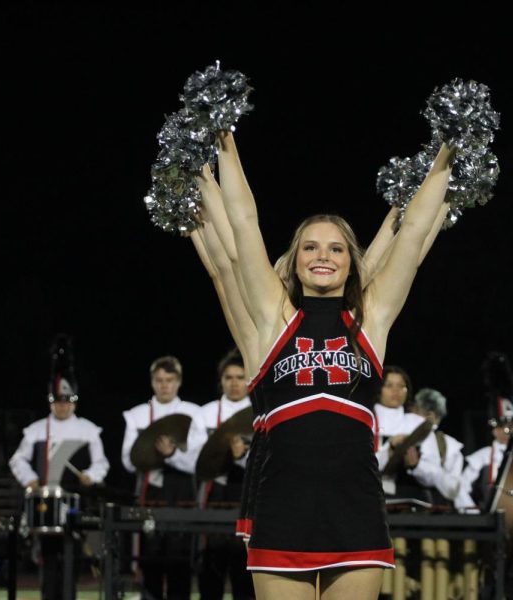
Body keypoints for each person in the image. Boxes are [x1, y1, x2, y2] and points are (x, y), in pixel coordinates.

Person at [191, 127, 454, 600]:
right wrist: (221, 133)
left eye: (335, 248)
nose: (322, 256)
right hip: (283, 509)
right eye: (310, 247)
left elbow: (413, 236)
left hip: (355, 510)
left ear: (352, 263)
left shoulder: (370, 322)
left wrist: (451, 147)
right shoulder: (272, 320)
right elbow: (243, 227)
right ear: (294, 262)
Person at [8, 335, 109, 600]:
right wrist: (29, 479)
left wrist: (91, 476)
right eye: (58, 401)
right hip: (45, 508)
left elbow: (102, 463)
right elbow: (17, 459)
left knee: (71, 563)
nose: (62, 406)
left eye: (66, 401)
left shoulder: (88, 430)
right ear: (51, 401)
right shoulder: (36, 430)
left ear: (74, 401)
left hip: (76, 507)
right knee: (48, 563)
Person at [122, 355, 204, 600]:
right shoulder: (136, 415)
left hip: (182, 492)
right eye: (159, 380)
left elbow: (198, 461)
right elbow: (127, 460)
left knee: (180, 564)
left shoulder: (194, 413)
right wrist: (151, 455)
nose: (164, 385)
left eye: (169, 380)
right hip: (149, 491)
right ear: (152, 382)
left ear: (178, 382)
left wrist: (171, 456)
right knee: (150, 562)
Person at [190, 348, 255, 600]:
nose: (235, 383)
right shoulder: (204, 413)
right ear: (221, 382)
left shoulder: (260, 412)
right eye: (229, 377)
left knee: (245, 570)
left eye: (240, 377)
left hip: (247, 494)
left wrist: (242, 457)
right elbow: (193, 458)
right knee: (211, 568)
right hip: (214, 492)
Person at [374, 366, 442, 502]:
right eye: (389, 385)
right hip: (372, 498)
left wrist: (416, 465)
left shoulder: (418, 423)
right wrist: (390, 448)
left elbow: (435, 475)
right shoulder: (366, 421)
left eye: (401, 386)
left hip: (412, 499)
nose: (396, 391)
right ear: (378, 389)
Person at [407, 387, 466, 506]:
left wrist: (419, 466)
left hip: (430, 510)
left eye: (416, 409)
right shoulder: (401, 433)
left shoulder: (449, 446)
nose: (410, 412)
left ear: (430, 415)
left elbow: (452, 488)